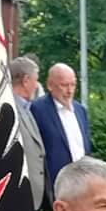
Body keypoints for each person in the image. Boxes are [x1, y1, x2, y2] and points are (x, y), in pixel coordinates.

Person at [30, 62, 91, 202]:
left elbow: (85, 146)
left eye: (73, 85)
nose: (69, 91)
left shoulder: (80, 110)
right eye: (64, 85)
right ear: (50, 85)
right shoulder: (38, 109)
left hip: (82, 181)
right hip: (55, 184)